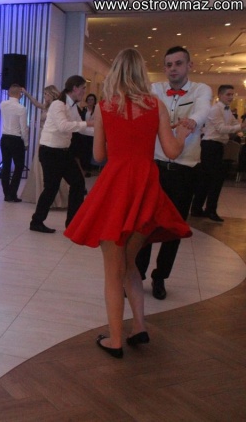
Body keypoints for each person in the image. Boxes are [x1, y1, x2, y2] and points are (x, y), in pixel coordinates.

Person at [65, 48, 192, 358]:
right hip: (145, 189)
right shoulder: (157, 105)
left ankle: (115, 340)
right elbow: (172, 151)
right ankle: (139, 326)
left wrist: (118, 144)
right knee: (130, 264)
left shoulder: (105, 107)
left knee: (113, 270)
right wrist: (183, 133)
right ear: (141, 73)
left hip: (116, 188)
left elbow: (98, 156)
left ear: (116, 73)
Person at [135, 46, 212, 300]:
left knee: (174, 227)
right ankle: (138, 274)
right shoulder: (155, 89)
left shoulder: (201, 90)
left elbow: (202, 110)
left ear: (189, 65)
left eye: (178, 63)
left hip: (185, 171)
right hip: (155, 167)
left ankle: (160, 277)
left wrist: (192, 121)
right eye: (169, 65)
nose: (173, 69)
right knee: (145, 223)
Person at [29, 75, 93, 234]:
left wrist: (100, 132)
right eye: (83, 88)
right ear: (75, 88)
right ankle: (36, 221)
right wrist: (88, 123)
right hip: (50, 151)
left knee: (78, 183)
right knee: (51, 188)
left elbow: (81, 128)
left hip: (63, 151)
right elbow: (63, 126)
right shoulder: (58, 104)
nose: (84, 92)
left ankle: (73, 223)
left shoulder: (73, 106)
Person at [191, 85, 246, 222]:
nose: (231, 97)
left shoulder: (227, 111)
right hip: (210, 146)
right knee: (215, 180)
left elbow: (234, 126)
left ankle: (197, 209)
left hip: (217, 146)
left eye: (232, 94)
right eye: (228, 94)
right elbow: (221, 129)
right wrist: (240, 126)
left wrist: (241, 127)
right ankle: (209, 210)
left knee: (207, 180)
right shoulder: (215, 109)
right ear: (220, 95)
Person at [20, 85, 68, 207]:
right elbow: (36, 103)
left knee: (47, 167)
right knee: (39, 165)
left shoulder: (56, 107)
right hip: (42, 137)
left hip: (49, 139)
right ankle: (41, 194)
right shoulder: (46, 106)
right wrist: (26, 93)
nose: (45, 96)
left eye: (46, 94)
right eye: (44, 94)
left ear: (52, 94)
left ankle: (53, 197)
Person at [0, 83, 29, 202]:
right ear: (20, 94)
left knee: (6, 166)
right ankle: (13, 193)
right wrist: (26, 143)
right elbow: (24, 128)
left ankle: (6, 193)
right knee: (19, 166)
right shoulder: (21, 108)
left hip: (4, 138)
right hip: (16, 139)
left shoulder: (3, 104)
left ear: (8, 93)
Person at [74, 93, 97, 177]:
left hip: (93, 134)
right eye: (89, 99)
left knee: (90, 151)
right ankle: (84, 168)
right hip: (83, 133)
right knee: (83, 151)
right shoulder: (83, 110)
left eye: (92, 99)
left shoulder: (97, 110)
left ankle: (90, 168)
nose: (90, 101)